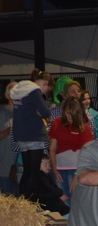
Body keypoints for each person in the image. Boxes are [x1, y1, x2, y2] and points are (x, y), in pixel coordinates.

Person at [10, 79, 67, 214]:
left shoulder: (19, 91)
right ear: (44, 84)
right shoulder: (34, 91)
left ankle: (24, 200)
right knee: (35, 172)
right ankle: (32, 202)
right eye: (47, 89)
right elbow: (45, 112)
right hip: (34, 135)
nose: (45, 92)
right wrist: (45, 109)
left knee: (27, 170)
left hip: (22, 135)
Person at [48, 97, 95, 201]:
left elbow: (87, 154)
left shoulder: (85, 127)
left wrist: (77, 174)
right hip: (59, 168)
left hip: (77, 169)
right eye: (67, 113)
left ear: (77, 113)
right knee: (61, 201)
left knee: (76, 201)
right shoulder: (57, 123)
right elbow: (52, 149)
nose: (69, 117)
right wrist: (54, 170)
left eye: (71, 114)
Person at [0, 81, 18, 195]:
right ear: (7, 95)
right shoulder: (2, 112)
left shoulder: (25, 113)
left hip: (21, 165)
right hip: (4, 165)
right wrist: (8, 130)